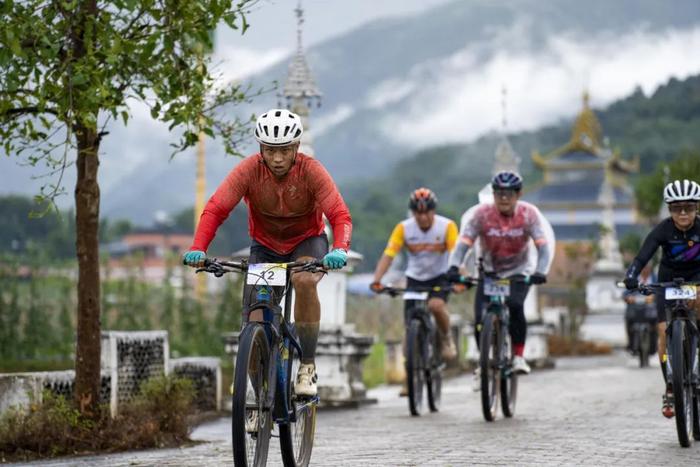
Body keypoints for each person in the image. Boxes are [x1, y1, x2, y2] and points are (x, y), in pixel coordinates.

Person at [182, 109, 352, 397]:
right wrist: (198, 247)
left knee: (304, 281)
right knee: (255, 317)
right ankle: (257, 394)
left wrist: (340, 249)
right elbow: (216, 209)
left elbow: (339, 214)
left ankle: (307, 366)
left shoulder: (311, 171)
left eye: (284, 151)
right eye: (270, 150)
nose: (276, 159)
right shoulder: (248, 171)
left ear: (296, 148)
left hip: (307, 242)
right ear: (260, 148)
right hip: (265, 246)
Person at [447, 171, 552, 376]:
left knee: (514, 305)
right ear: (493, 195)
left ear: (518, 194)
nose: (504, 198)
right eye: (499, 193)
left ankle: (519, 357)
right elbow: (463, 244)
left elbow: (543, 246)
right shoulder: (481, 214)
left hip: (519, 271)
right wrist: (453, 266)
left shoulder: (529, 214)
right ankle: (483, 362)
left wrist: (541, 271)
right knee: (479, 319)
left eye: (509, 193)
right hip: (489, 272)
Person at [623, 179, 700, 418]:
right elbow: (642, 256)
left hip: (697, 279)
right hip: (668, 281)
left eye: (689, 207)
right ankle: (670, 384)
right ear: (670, 210)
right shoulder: (663, 230)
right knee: (663, 331)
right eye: (677, 208)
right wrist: (632, 276)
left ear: (697, 208)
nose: (683, 213)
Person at [370, 188, 459, 363]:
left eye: (427, 212)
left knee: (436, 306)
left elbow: (456, 256)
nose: (423, 217)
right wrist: (377, 280)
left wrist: (460, 278)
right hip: (415, 278)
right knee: (409, 326)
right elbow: (389, 255)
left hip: (439, 276)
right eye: (418, 213)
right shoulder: (403, 228)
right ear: (413, 212)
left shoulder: (447, 226)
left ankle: (447, 338)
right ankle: (411, 378)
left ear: (433, 210)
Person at [622, 263, 657, 355]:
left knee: (656, 322)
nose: (645, 270)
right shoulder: (633, 279)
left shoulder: (655, 278)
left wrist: (654, 297)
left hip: (650, 308)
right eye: (643, 267)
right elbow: (625, 292)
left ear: (650, 269)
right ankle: (630, 344)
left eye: (647, 268)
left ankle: (654, 346)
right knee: (628, 319)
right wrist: (628, 297)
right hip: (635, 307)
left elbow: (660, 291)